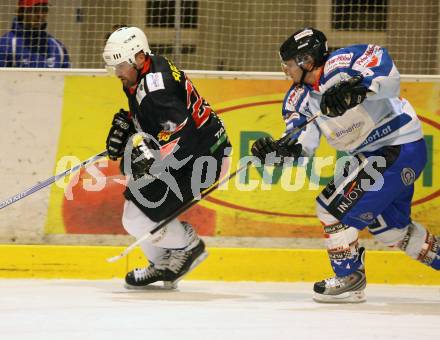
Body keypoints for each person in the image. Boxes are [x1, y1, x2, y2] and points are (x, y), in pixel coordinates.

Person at [251, 27, 439, 303]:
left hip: (397, 145)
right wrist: (279, 151)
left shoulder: (344, 61)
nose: (286, 71)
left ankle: (349, 277)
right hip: (382, 156)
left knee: (330, 208)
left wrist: (360, 88)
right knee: (392, 231)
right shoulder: (297, 99)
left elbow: (389, 77)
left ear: (306, 60)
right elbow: (302, 146)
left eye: (289, 64)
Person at [102, 27, 231, 289]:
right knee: (133, 214)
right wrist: (130, 124)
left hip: (203, 159)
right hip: (196, 151)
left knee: (137, 218)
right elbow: (161, 120)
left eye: (121, 65)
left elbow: (182, 132)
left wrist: (150, 157)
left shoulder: (154, 87)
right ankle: (163, 263)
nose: (117, 72)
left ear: (139, 57)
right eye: (113, 66)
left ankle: (188, 245)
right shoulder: (146, 70)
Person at [0, 0, 70, 68]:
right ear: (21, 12)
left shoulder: (57, 47)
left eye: (44, 9)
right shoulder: (5, 45)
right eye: (34, 9)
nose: (40, 15)